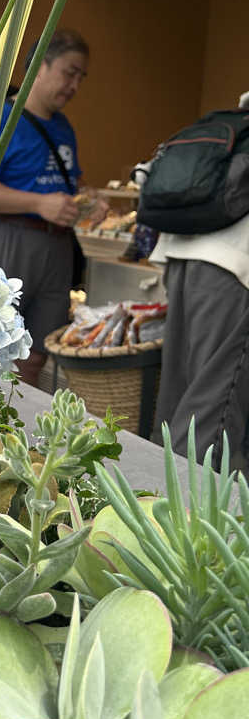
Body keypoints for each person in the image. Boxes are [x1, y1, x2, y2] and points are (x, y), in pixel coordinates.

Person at [0, 29, 107, 387]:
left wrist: (87, 203)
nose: (75, 85)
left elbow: (61, 184)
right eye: (69, 72)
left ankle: (19, 432)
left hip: (57, 249)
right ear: (40, 67)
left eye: (81, 77)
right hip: (8, 240)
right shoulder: (2, 118)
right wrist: (39, 203)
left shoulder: (63, 126)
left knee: (38, 350)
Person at [151, 93, 249, 472]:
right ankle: (189, 522)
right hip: (232, 268)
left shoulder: (233, 117)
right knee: (213, 407)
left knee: (181, 396)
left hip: (183, 253)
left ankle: (152, 507)